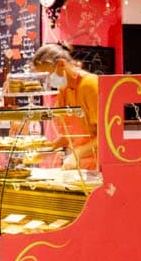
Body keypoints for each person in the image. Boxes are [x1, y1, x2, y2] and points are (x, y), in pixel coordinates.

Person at [32, 42, 99, 170]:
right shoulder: (64, 90)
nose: (48, 81)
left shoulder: (90, 85)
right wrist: (47, 150)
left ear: (61, 64)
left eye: (48, 75)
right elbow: (70, 135)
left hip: (98, 165)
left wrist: (77, 154)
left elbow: (106, 135)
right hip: (77, 168)